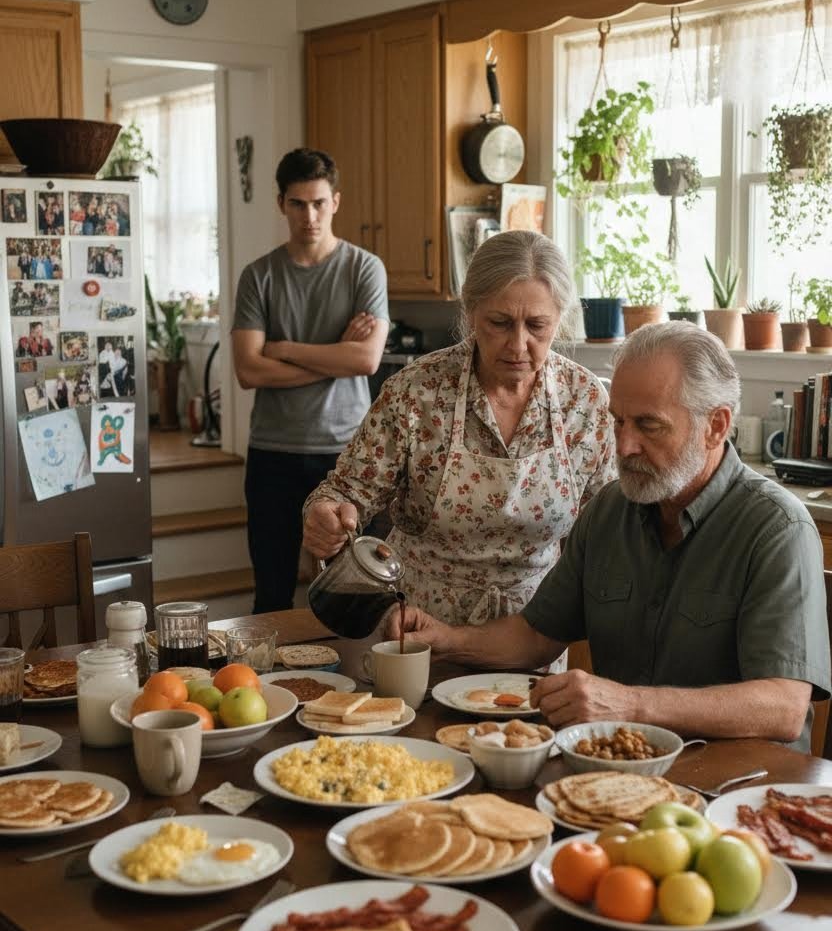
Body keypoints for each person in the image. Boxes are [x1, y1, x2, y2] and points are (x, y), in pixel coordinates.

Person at [393, 322, 830, 749]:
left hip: (736, 790)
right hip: (615, 768)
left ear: (715, 425)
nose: (624, 447)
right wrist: (448, 640)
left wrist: (631, 705)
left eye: (649, 425)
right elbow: (535, 636)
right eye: (618, 422)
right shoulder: (609, 510)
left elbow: (784, 708)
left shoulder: (776, 529)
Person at [304, 231, 616, 627]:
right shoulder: (417, 391)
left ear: (560, 318)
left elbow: (606, 527)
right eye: (500, 323)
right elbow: (346, 491)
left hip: (537, 631)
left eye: (537, 325)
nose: (518, 345)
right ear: (470, 312)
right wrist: (325, 514)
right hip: (421, 626)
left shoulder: (584, 401)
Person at [231, 146, 389, 613]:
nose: (310, 216)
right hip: (273, 453)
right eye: (298, 204)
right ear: (282, 204)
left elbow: (365, 360)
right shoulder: (258, 276)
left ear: (336, 201)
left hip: (347, 456)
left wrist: (284, 348)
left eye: (319, 203)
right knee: (273, 592)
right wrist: (333, 352)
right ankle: (271, 686)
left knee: (353, 592)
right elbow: (247, 370)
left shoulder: (365, 268)